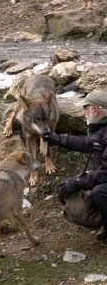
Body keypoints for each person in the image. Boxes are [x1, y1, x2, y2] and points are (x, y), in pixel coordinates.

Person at [43, 89, 107, 241]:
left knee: (100, 192)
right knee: (65, 191)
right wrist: (58, 139)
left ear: (94, 110)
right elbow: (86, 143)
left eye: (85, 109)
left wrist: (79, 182)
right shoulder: (100, 130)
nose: (83, 113)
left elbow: (106, 172)